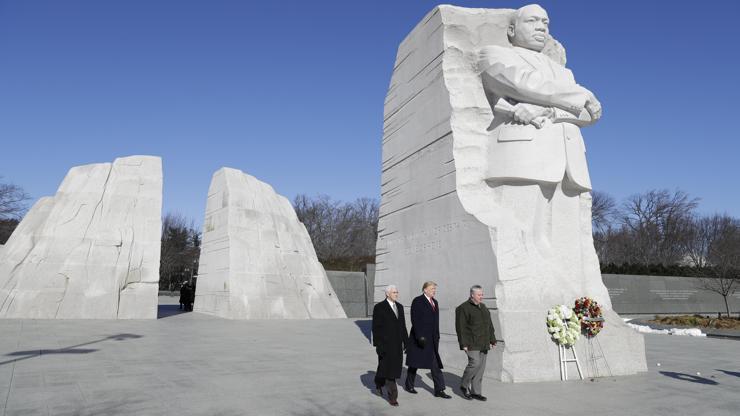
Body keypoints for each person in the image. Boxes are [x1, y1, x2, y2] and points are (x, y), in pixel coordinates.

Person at [477, 3, 608, 299]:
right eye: (533, 21)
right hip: (523, 159)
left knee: (567, 245)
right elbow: (521, 82)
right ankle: (528, 296)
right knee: (520, 236)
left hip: (568, 163)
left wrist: (551, 110)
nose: (541, 27)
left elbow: (591, 115)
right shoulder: (496, 54)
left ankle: (568, 300)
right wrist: (578, 95)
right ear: (512, 30)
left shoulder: (564, 73)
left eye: (545, 23)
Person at [404, 281, 451, 399]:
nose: (434, 291)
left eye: (434, 289)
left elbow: (436, 321)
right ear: (424, 289)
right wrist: (420, 336)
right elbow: (415, 320)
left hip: (432, 340)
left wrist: (437, 335)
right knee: (414, 363)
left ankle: (439, 390)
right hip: (420, 339)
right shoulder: (417, 301)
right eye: (431, 288)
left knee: (435, 365)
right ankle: (409, 385)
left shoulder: (435, 302)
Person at [455, 285, 496, 401]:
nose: (481, 297)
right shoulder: (463, 308)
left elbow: (490, 325)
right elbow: (461, 328)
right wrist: (463, 344)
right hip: (471, 342)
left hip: (484, 342)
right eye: (479, 295)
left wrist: (492, 339)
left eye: (482, 294)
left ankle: (476, 392)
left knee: (480, 369)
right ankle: (464, 385)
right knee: (475, 363)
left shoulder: (483, 307)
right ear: (472, 295)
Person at [372, 285, 408, 407]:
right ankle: (393, 396)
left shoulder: (400, 307)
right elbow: (375, 327)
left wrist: (406, 342)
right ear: (387, 294)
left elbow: (403, 326)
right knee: (389, 371)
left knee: (386, 367)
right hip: (385, 344)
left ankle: (378, 382)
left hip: (397, 344)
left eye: (397, 292)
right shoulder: (379, 307)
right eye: (394, 292)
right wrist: (378, 345)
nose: (396, 294)